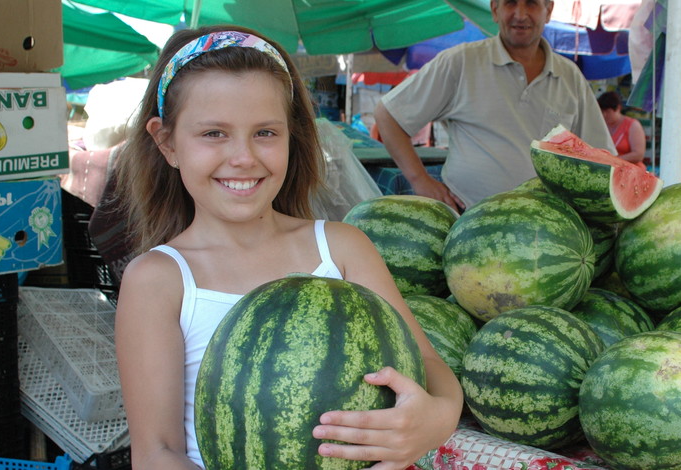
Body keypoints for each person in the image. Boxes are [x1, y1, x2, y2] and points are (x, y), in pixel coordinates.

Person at [112, 25, 463, 470]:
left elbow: (432, 369)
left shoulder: (341, 249)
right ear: (167, 142)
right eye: (214, 134)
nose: (243, 157)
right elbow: (156, 454)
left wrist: (438, 417)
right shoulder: (159, 280)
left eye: (265, 133)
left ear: (291, 136)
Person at [374, 0, 615, 213]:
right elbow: (388, 115)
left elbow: (601, 156)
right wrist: (420, 180)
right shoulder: (460, 62)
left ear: (548, 10)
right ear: (494, 10)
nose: (520, 14)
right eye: (510, 3)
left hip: (546, 234)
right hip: (466, 221)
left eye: (531, 3)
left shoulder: (570, 76)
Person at [597, 91, 646, 169]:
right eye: (602, 112)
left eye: (608, 112)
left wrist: (613, 160)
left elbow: (638, 155)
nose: (604, 115)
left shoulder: (633, 125)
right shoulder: (601, 125)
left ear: (618, 108)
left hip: (632, 171)